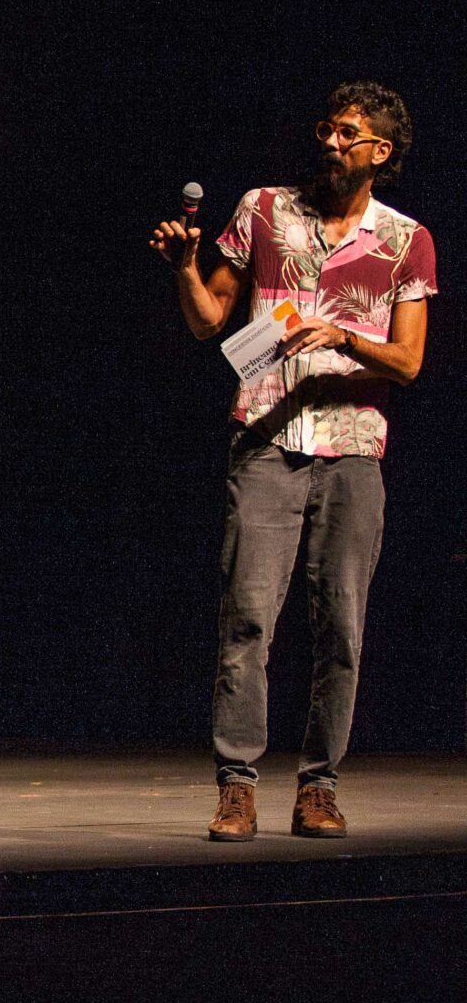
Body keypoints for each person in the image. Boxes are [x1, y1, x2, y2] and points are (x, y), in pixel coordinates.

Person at [150, 81, 434, 842]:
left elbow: (409, 361)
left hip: (352, 448)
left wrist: (342, 336)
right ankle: (237, 785)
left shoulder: (406, 239)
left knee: (341, 625)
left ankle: (319, 785)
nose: (331, 143)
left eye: (348, 134)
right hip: (266, 440)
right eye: (327, 129)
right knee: (247, 617)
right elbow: (210, 322)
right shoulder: (265, 210)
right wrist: (185, 268)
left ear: (380, 151)